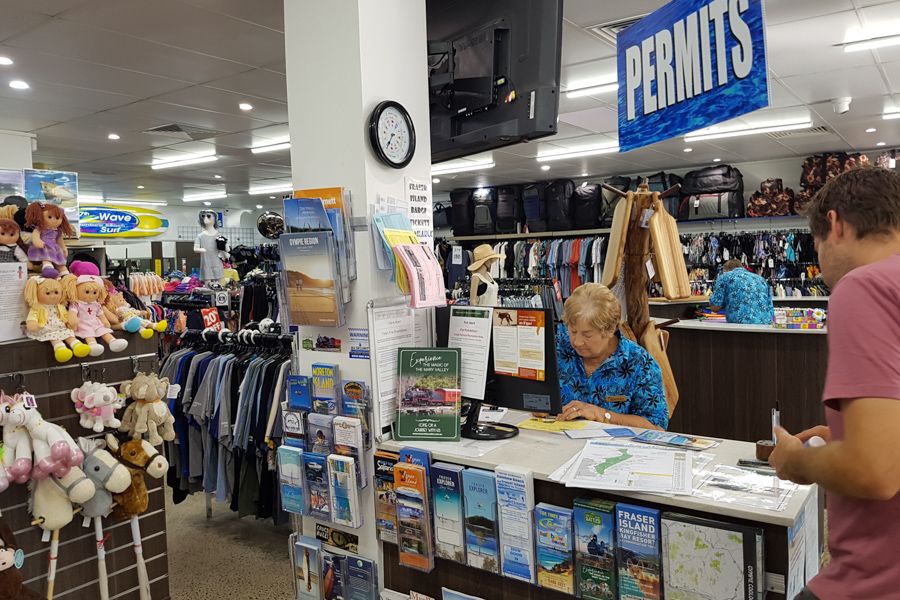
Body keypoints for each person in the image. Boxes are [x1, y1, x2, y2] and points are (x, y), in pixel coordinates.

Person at [768, 168, 900, 600]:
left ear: (836, 224)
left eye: (817, 243)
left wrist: (795, 461)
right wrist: (841, 435)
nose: (820, 262)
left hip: (875, 579)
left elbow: (875, 471)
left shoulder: (863, 286)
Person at [555, 283, 668, 430]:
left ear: (610, 330)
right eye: (573, 331)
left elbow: (657, 427)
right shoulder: (556, 348)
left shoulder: (640, 364)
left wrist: (603, 415)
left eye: (587, 334)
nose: (577, 342)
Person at [709, 259, 774, 324]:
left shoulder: (724, 277)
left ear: (726, 270)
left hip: (740, 326)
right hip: (765, 325)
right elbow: (770, 307)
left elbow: (715, 307)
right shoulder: (761, 279)